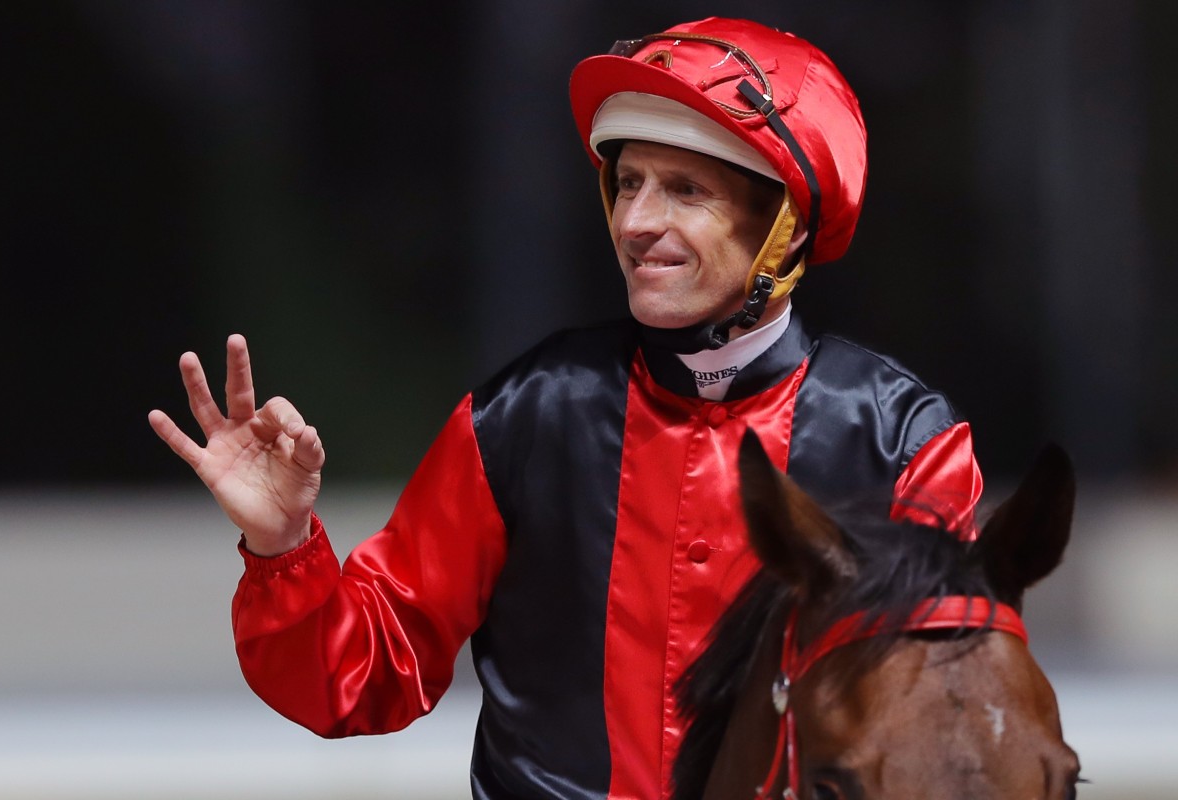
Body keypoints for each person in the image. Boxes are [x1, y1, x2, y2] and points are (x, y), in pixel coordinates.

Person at [149, 17, 982, 800]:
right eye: (628, 184)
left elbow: (940, 730)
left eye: (685, 190)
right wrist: (282, 546)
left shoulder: (905, 443)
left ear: (788, 230)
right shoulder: (525, 414)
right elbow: (361, 680)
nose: (636, 222)